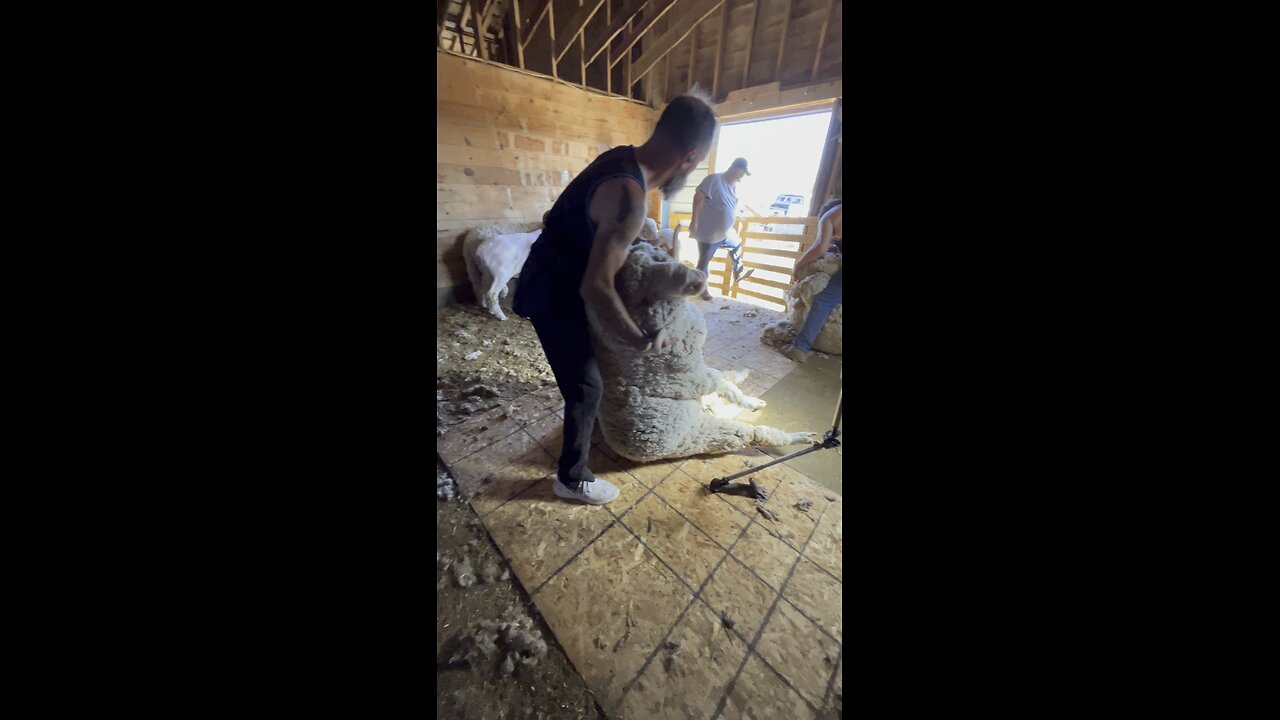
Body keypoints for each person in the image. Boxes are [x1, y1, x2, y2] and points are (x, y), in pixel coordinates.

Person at [512, 91, 719, 505]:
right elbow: (596, 286)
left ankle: (589, 429)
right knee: (587, 385)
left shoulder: (620, 159)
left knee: (590, 375)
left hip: (552, 274)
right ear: (691, 157)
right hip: (553, 292)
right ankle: (571, 478)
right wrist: (641, 340)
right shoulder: (630, 197)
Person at [781, 199, 842, 363]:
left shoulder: (829, 216)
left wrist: (799, 264)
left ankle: (799, 348)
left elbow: (820, 247)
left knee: (824, 300)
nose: (834, 237)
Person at [690, 157, 755, 301]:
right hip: (709, 233)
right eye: (743, 174)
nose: (742, 178)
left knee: (737, 244)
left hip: (725, 233)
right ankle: (701, 289)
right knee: (704, 263)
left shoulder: (734, 187)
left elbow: (728, 206)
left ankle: (738, 271)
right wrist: (694, 222)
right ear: (736, 169)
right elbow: (698, 197)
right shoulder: (714, 179)